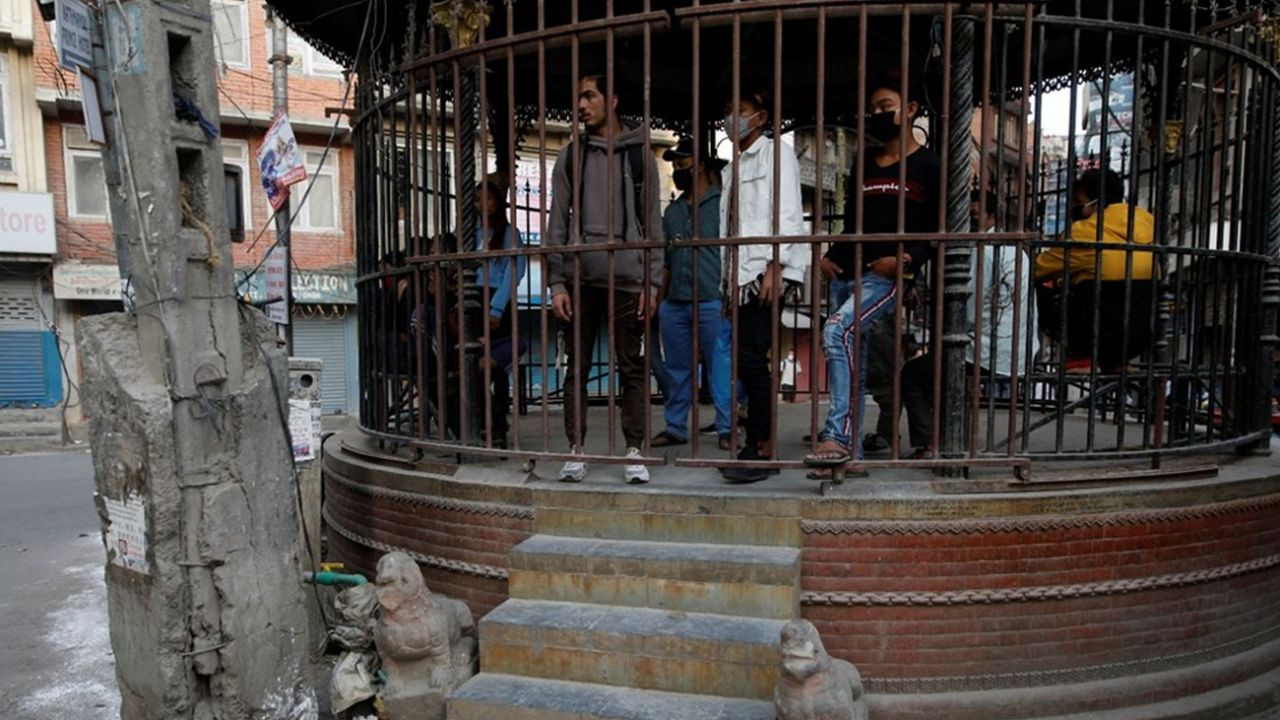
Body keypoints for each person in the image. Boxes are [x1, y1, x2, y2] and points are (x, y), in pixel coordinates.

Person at [808, 74, 940, 471]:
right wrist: (829, 255)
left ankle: (837, 436)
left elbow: (935, 232)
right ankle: (855, 458)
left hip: (886, 277)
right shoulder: (864, 160)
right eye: (874, 110)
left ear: (912, 108)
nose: (878, 115)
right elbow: (854, 222)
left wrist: (905, 262)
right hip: (848, 272)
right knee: (856, 364)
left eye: (886, 107)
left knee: (836, 331)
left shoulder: (929, 164)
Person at [546, 72, 663, 484]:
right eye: (578, 96)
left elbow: (652, 222)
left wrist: (652, 281)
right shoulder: (571, 156)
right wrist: (557, 283)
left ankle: (634, 449)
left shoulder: (640, 155)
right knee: (575, 366)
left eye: (588, 95)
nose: (580, 104)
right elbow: (556, 221)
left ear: (611, 100)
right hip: (581, 277)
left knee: (632, 366)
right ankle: (575, 449)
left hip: (629, 277)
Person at [899, 189, 1039, 456]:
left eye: (974, 216)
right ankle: (943, 438)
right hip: (1018, 349)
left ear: (991, 216)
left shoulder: (983, 252)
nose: (970, 223)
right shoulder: (1013, 248)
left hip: (990, 351)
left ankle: (930, 444)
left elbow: (967, 313)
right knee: (936, 368)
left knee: (913, 374)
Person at [718, 87, 808, 483]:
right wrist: (727, 284)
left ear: (761, 117)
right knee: (746, 358)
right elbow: (730, 230)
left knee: (753, 358)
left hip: (764, 271)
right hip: (741, 276)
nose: (731, 120)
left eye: (740, 111)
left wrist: (776, 263)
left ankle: (761, 447)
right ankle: (755, 443)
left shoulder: (777, 154)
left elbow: (787, 210)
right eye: (728, 112)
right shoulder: (732, 166)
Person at [650, 137, 734, 450]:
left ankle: (727, 427)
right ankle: (676, 427)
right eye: (674, 165)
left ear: (699, 165)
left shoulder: (722, 204)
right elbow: (667, 261)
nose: (676, 169)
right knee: (677, 368)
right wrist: (659, 300)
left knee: (720, 367)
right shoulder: (672, 212)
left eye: (682, 163)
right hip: (676, 301)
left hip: (713, 298)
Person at [1034, 167, 1155, 371]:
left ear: (1096, 203)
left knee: (1036, 284)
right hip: (1138, 336)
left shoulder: (1086, 231)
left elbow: (1038, 268)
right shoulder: (1146, 224)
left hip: (1095, 336)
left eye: (1080, 204)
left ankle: (1074, 355)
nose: (1077, 210)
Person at [475, 174, 529, 447]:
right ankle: (486, 422)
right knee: (476, 365)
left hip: (499, 302)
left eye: (488, 197)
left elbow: (514, 269)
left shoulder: (509, 234)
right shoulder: (470, 232)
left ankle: (497, 424)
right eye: (477, 199)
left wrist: (497, 307)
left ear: (498, 201)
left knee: (493, 367)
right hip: (474, 301)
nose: (482, 204)